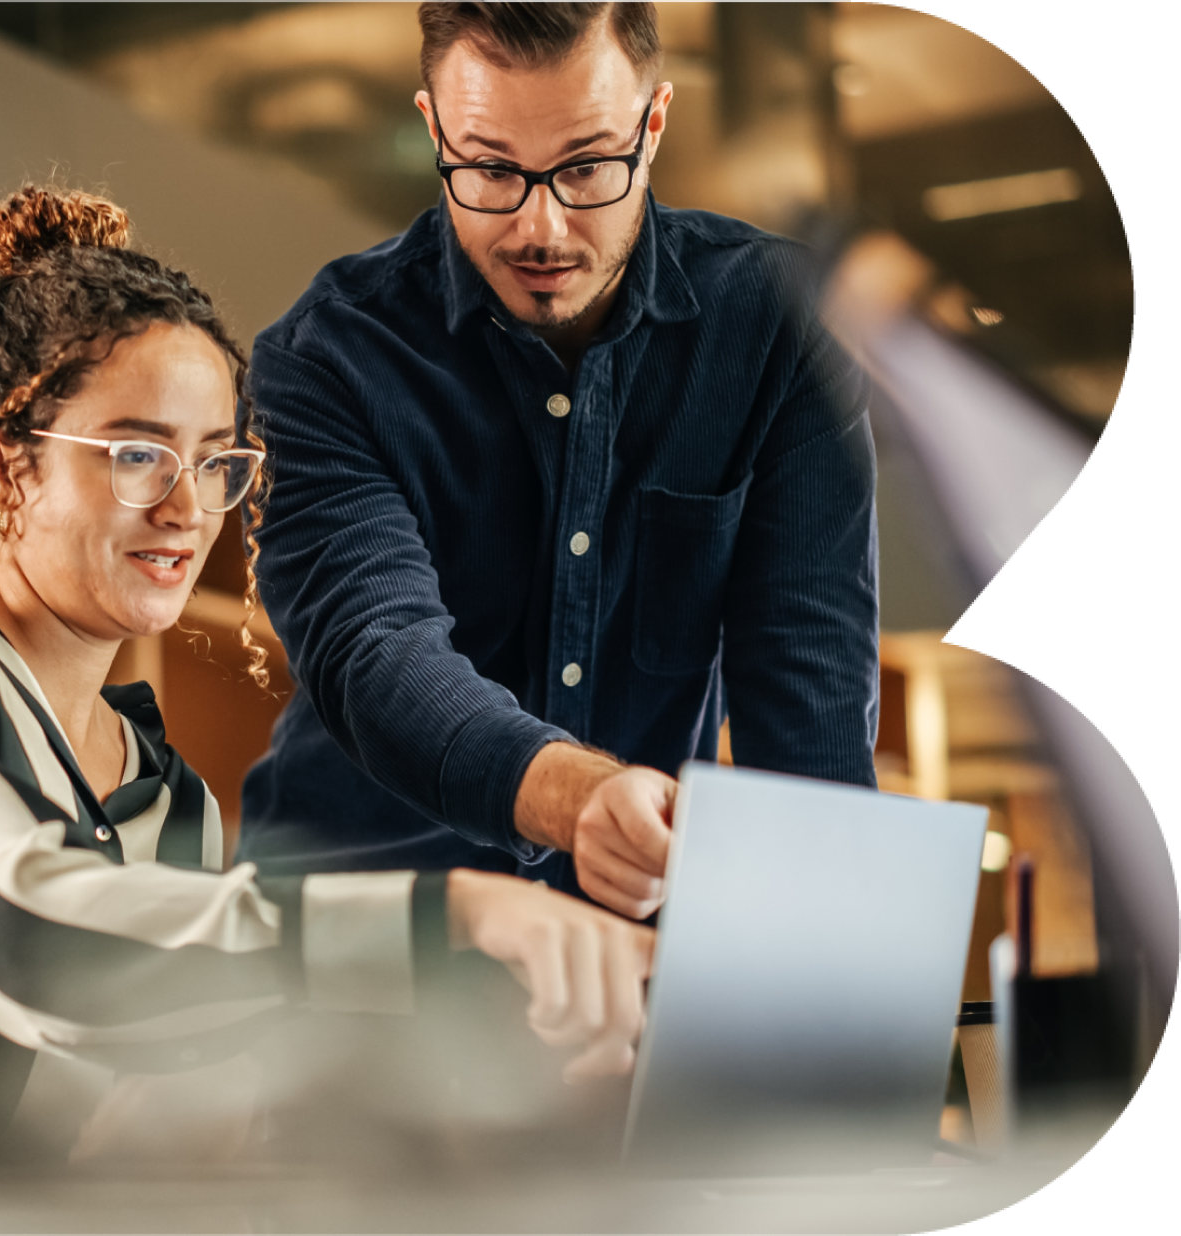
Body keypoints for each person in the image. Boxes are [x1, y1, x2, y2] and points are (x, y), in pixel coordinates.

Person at [0, 185, 653, 1160]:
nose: (188, 510)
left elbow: (164, 1084)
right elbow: (31, 940)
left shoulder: (168, 796)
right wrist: (450, 917)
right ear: (4, 468)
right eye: (138, 454)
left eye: (216, 464)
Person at [236, 0, 879, 919]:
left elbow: (810, 718)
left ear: (653, 126)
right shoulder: (328, 358)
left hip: (624, 947)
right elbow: (375, 653)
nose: (541, 228)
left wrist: (835, 978)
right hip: (359, 934)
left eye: (585, 167)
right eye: (491, 168)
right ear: (434, 128)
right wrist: (579, 799)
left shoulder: (781, 331)